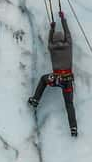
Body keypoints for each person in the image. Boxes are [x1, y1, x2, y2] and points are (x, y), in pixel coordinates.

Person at [27, 9, 77, 137]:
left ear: (54, 40)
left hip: (55, 78)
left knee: (44, 79)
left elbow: (49, 41)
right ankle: (73, 128)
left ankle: (35, 100)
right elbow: (68, 34)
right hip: (67, 81)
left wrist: (52, 29)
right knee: (69, 104)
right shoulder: (68, 45)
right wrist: (63, 19)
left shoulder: (52, 47)